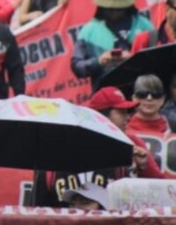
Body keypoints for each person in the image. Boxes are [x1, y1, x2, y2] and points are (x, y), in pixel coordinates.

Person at [33, 87, 163, 207]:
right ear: (102, 116)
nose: (128, 118)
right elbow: (36, 213)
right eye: (121, 112)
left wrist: (142, 167)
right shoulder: (55, 153)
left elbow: (158, 194)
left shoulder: (131, 143)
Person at [71, 0, 155, 87]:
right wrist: (99, 62)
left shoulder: (143, 25)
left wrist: (133, 59)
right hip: (105, 93)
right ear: (102, 6)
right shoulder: (89, 31)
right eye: (110, 9)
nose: (114, 12)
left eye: (119, 8)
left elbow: (158, 58)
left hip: (142, 91)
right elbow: (77, 66)